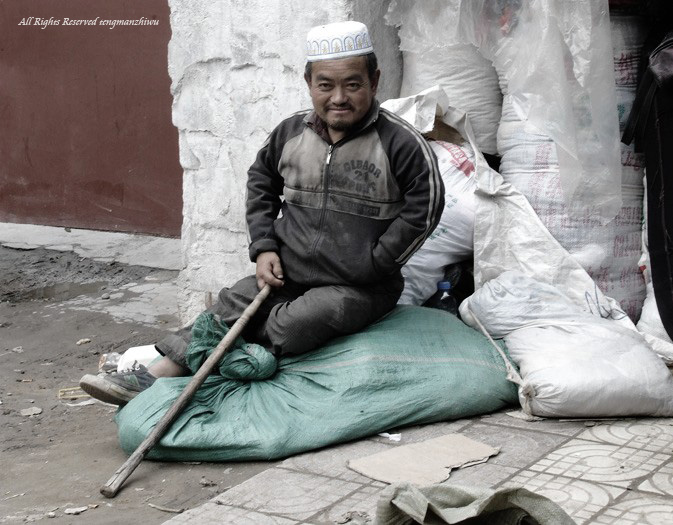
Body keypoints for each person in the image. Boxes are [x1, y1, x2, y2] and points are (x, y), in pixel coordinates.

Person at [80, 20, 444, 406]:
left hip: (357, 287)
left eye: (352, 84)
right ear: (309, 83)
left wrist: (376, 262)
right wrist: (265, 247)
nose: (339, 97)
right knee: (232, 302)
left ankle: (225, 358)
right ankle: (153, 378)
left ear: (374, 80)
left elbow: (427, 205)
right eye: (325, 85)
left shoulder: (400, 143)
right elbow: (261, 184)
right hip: (288, 272)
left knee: (296, 325)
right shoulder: (291, 133)